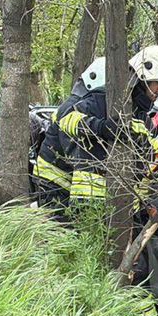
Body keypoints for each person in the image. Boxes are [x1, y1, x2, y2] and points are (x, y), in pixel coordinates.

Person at [60, 46, 158, 203]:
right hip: (89, 201)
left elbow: (147, 164)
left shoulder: (144, 118)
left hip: (126, 205)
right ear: (142, 78)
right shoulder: (104, 101)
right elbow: (66, 120)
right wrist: (101, 127)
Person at [32, 57, 106, 212]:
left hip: (54, 176)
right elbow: (74, 149)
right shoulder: (74, 107)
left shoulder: (73, 104)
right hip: (54, 179)